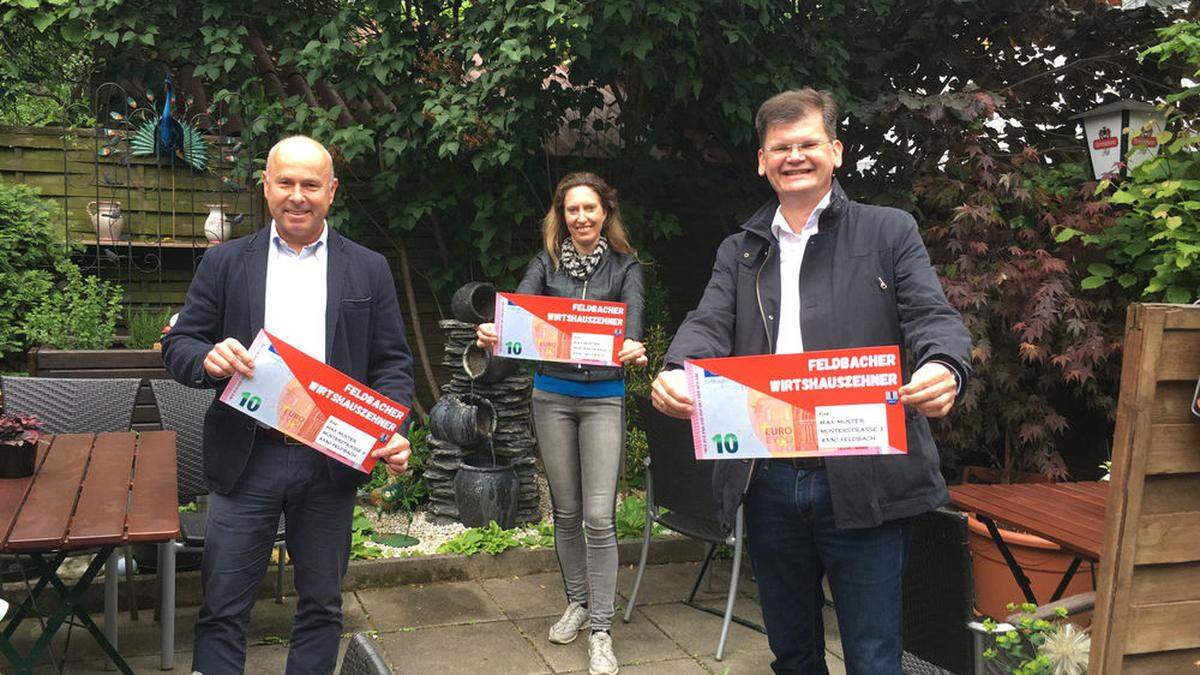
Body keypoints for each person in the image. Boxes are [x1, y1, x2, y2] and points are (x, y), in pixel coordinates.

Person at [650, 89, 971, 674]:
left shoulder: (889, 231)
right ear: (761, 160)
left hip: (863, 473)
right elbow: (708, 322)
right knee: (792, 652)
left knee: (874, 656)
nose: (794, 156)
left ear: (837, 152)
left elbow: (932, 316)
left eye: (807, 144)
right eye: (780, 147)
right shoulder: (739, 250)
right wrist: (676, 370)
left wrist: (944, 365)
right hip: (769, 476)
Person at [162, 135, 415, 675]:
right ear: (266, 187)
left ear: (332, 191)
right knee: (224, 609)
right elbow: (179, 344)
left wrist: (390, 427)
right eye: (286, 183)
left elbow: (392, 362)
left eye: (310, 184)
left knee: (322, 606)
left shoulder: (368, 268)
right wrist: (207, 357)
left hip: (328, 461)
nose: (297, 196)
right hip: (246, 457)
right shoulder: (226, 262)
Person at [476, 172, 646, 675]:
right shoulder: (544, 265)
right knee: (567, 511)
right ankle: (576, 600)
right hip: (551, 395)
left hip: (603, 398)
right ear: (561, 215)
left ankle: (600, 629)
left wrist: (633, 347)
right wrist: (496, 332)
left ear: (605, 213)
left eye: (590, 208)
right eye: (572, 210)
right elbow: (518, 319)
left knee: (599, 515)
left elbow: (632, 327)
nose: (582, 218)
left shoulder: (626, 268)